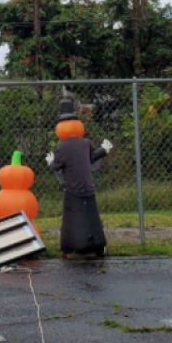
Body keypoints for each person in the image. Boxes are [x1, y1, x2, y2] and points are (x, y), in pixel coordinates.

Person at [45, 98, 112, 260]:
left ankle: (72, 246)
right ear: (78, 126)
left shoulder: (62, 147)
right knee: (91, 216)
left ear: (60, 128)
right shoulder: (86, 143)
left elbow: (56, 166)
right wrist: (104, 150)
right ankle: (96, 244)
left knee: (72, 218)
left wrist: (50, 161)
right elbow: (91, 158)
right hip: (88, 188)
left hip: (72, 190)